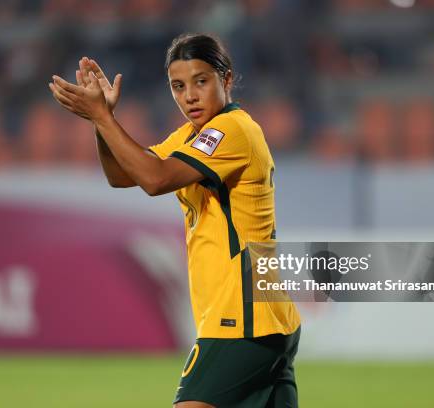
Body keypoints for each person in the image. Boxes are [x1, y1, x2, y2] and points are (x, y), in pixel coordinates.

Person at [49, 33, 302, 408]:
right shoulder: (192, 136)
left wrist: (101, 116)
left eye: (201, 81)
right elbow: (123, 175)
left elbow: (155, 179)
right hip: (265, 320)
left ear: (226, 78)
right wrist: (102, 120)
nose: (190, 96)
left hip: (241, 322)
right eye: (178, 86)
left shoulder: (233, 130)